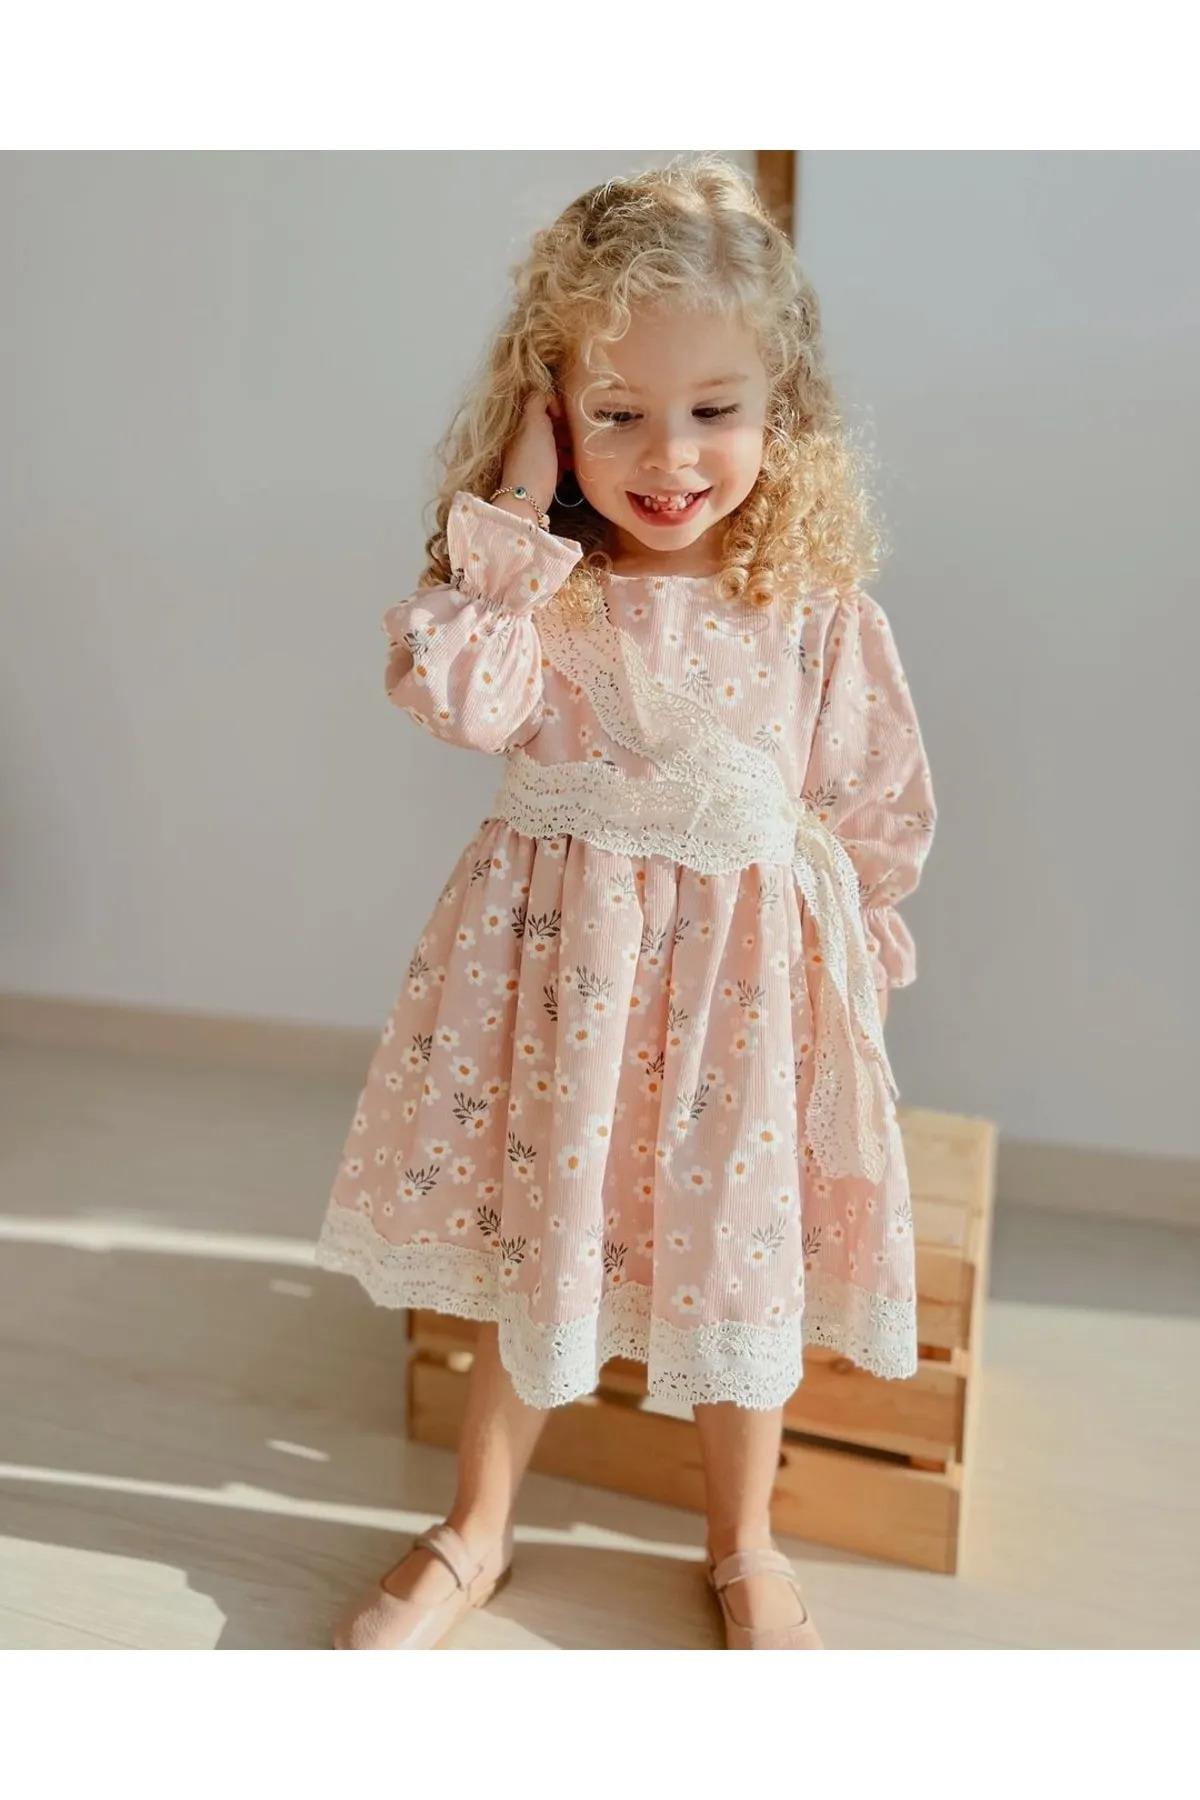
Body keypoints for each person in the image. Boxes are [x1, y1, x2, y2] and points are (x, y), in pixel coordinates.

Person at [315, 152, 938, 1650]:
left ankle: (743, 1538)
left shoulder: (811, 609)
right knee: (542, 1238)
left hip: (744, 1004)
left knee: (741, 1253)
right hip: (567, 992)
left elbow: (870, 799)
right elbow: (455, 697)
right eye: (614, 413)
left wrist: (856, 966)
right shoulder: (538, 600)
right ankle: (478, 1528)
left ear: (781, 405)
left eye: (715, 409)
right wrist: (520, 511)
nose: (670, 457)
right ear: (549, 408)